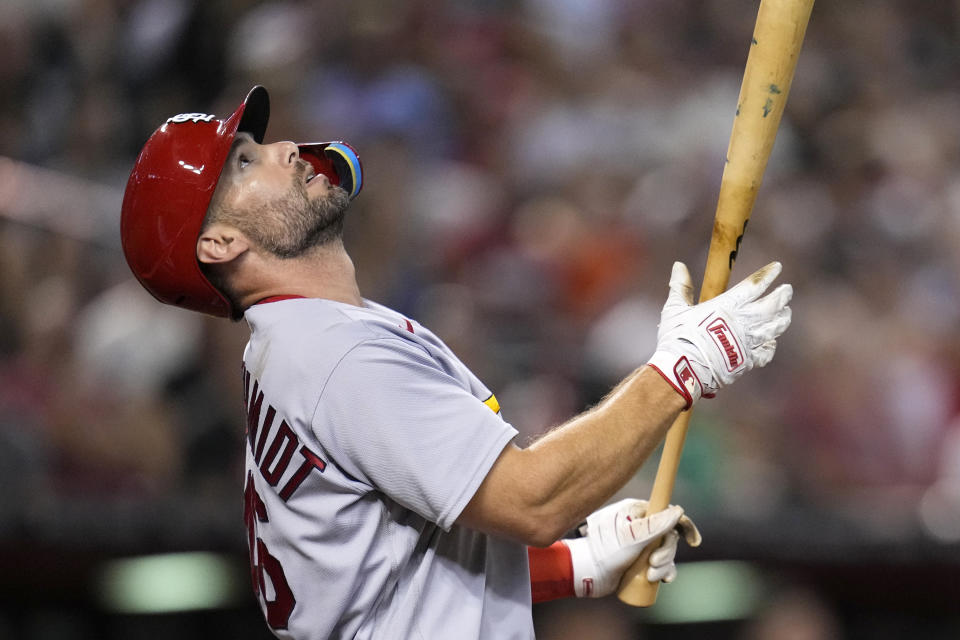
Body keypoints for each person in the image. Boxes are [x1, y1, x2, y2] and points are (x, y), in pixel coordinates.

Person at [120, 86, 792, 639]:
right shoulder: (335, 355)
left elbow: (396, 575)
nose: (285, 149)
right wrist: (683, 368)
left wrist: (578, 566)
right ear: (219, 241)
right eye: (243, 162)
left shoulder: (298, 349)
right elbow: (532, 500)